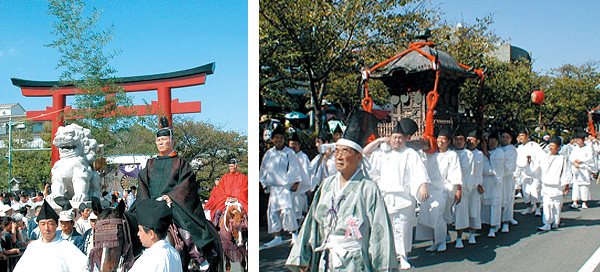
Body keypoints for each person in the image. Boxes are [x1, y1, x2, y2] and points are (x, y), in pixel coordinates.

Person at [286, 111, 398, 271]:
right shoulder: (327, 184)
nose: (339, 156)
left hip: (355, 261)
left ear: (359, 157)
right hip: (327, 259)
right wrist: (303, 255)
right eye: (337, 151)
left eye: (345, 151)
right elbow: (312, 222)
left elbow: (380, 230)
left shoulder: (368, 188)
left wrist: (381, 266)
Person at [137, 116, 219, 271]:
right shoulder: (150, 164)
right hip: (153, 205)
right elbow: (142, 183)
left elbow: (187, 183)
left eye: (164, 139)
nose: (160, 143)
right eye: (158, 140)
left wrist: (172, 196)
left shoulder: (181, 163)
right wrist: (147, 202)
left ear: (172, 141)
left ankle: (198, 255)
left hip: (174, 204)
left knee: (184, 225)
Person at [363, 118, 430, 269]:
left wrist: (423, 186)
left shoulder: (410, 153)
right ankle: (386, 255)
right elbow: (365, 153)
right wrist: (380, 140)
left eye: (400, 138)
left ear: (405, 139)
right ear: (390, 138)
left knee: (403, 228)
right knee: (386, 228)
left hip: (403, 198)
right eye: (394, 138)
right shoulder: (381, 153)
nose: (397, 141)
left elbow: (419, 171)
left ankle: (403, 256)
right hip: (384, 198)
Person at [416, 126, 462, 252]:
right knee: (430, 215)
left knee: (439, 215)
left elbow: (455, 172)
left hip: (444, 188)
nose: (441, 142)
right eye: (439, 139)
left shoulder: (451, 155)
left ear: (448, 142)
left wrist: (458, 189)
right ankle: (435, 241)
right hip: (430, 189)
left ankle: (442, 241)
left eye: (444, 140)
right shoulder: (430, 154)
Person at [259, 124, 303, 248]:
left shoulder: (289, 153)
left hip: (284, 187)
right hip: (274, 188)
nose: (278, 140)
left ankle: (293, 233)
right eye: (276, 138)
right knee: (273, 212)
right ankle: (277, 236)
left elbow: (294, 168)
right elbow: (263, 169)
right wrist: (264, 183)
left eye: (281, 138)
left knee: (287, 211)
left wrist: (295, 182)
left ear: (284, 139)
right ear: (272, 139)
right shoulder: (269, 153)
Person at [13, 200, 88, 272]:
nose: (46, 228)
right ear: (38, 225)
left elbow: (84, 268)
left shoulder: (67, 247)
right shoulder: (32, 247)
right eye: (43, 224)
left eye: (50, 224)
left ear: (57, 225)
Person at [526, 136, 572, 230]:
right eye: (550, 145)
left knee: (556, 206)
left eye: (553, 146)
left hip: (557, 187)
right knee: (546, 205)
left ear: (558, 148)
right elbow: (537, 169)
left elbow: (565, 172)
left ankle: (556, 222)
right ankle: (547, 223)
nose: (551, 148)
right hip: (546, 186)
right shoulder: (544, 157)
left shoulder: (562, 159)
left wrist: (566, 185)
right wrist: (528, 163)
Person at [130, 199, 183, 272]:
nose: (138, 234)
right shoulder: (174, 253)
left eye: (140, 230)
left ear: (151, 234)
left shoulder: (147, 261)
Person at [205, 158, 249, 224]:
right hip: (226, 200)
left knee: (247, 213)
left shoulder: (243, 177)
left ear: (237, 166)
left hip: (240, 201)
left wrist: (237, 198)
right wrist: (227, 198)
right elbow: (221, 190)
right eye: (229, 166)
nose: (230, 168)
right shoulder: (225, 177)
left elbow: (245, 189)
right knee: (217, 212)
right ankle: (215, 229)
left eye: (232, 166)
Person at [452, 129, 475, 248]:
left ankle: (459, 237)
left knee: (460, 213)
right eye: (456, 139)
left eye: (461, 139)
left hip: (462, 186)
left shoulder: (468, 154)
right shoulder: (450, 153)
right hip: (450, 186)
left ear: (465, 141)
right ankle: (445, 235)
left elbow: (464, 169)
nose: (458, 142)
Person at [514, 128, 545, 217]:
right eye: (519, 136)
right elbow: (517, 162)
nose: (521, 137)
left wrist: (531, 160)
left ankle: (538, 208)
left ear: (527, 136)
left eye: (522, 135)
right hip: (524, 174)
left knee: (535, 191)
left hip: (534, 173)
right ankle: (528, 207)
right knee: (526, 192)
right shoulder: (519, 148)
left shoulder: (533, 145)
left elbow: (541, 156)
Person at [480, 132, 505, 237]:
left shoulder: (499, 152)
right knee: (485, 203)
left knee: (494, 203)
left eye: (494, 141)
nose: (492, 143)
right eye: (490, 140)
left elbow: (495, 166)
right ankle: (486, 222)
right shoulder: (481, 153)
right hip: (485, 181)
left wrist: (486, 153)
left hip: (494, 182)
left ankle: (494, 226)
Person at [465, 129, 485, 244]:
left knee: (474, 210)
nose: (470, 142)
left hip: (474, 186)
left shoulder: (479, 154)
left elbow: (479, 171)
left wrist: (478, 184)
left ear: (477, 142)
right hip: (464, 187)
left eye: (473, 140)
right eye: (469, 140)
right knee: (462, 211)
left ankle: (473, 233)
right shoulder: (462, 152)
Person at [288, 133, 312, 224]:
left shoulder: (303, 157)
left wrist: (308, 187)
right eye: (291, 145)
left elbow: (307, 173)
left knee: (299, 212)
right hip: (288, 189)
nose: (293, 147)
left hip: (300, 189)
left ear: (298, 145)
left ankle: (297, 232)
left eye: (294, 145)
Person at [569, 130, 595, 209]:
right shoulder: (575, 148)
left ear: (582, 139)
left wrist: (580, 161)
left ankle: (584, 202)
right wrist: (574, 162)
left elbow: (590, 157)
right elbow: (571, 157)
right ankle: (575, 202)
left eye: (578, 139)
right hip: (576, 169)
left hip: (584, 168)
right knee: (576, 185)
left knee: (584, 186)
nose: (577, 141)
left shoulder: (588, 148)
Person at [500, 130, 518, 232]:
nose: (504, 139)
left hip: (506, 178)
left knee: (507, 199)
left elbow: (508, 166)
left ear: (511, 139)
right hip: (497, 178)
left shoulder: (511, 149)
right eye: (503, 137)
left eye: (507, 137)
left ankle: (506, 221)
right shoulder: (498, 148)